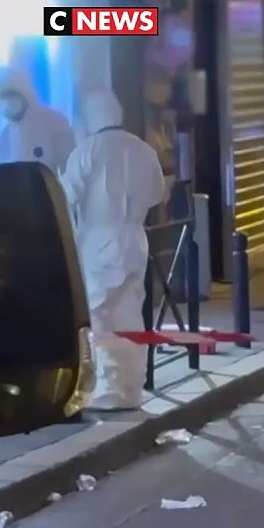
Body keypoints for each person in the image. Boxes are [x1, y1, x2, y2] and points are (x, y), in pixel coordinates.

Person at [59, 89, 166, 410]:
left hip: (98, 242)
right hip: (135, 238)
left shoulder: (87, 150)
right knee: (131, 313)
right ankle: (131, 388)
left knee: (99, 315)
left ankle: (107, 389)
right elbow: (158, 194)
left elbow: (67, 196)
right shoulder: (145, 150)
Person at [0, 67, 75, 173]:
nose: (9, 101)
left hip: (41, 188)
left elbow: (69, 168)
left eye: (13, 94)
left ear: (26, 92)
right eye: (4, 95)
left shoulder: (55, 123)